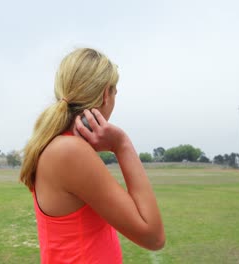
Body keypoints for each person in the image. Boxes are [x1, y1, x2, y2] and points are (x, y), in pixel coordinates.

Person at [20, 48, 165, 263]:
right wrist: (122, 144)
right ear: (106, 94)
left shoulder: (56, 145)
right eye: (115, 93)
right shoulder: (70, 152)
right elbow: (153, 237)